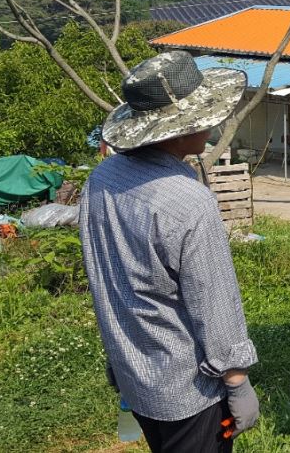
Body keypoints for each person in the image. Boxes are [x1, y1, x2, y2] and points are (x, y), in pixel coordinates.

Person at [80, 50, 259, 451]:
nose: (215, 121)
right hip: (187, 388)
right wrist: (236, 379)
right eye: (207, 114)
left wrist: (118, 354)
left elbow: (105, 274)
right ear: (177, 130)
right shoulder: (188, 200)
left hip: (133, 367)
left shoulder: (102, 179)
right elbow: (213, 302)